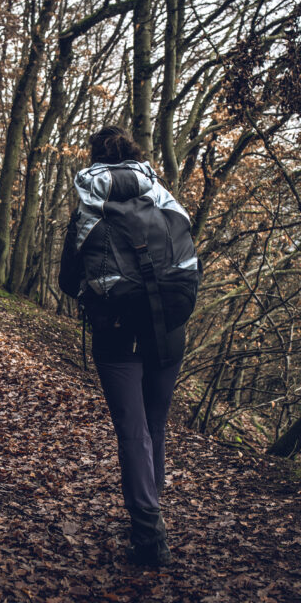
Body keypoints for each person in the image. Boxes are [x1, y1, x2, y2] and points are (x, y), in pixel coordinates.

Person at [58, 126, 199, 567]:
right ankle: (151, 516)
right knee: (154, 425)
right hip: (168, 326)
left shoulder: (89, 208)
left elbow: (65, 281)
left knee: (132, 429)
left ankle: (148, 532)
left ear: (96, 160)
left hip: (116, 329)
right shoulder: (162, 196)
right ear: (136, 157)